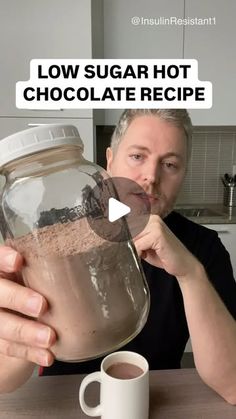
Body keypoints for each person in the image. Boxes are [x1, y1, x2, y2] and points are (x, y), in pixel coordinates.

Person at [1, 109, 236, 404]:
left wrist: (190, 274)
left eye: (171, 163)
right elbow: (4, 381)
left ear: (184, 174)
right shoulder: (46, 232)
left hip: (156, 401)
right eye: (138, 156)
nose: (151, 176)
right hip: (64, 402)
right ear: (109, 160)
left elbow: (233, 385)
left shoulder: (202, 248)